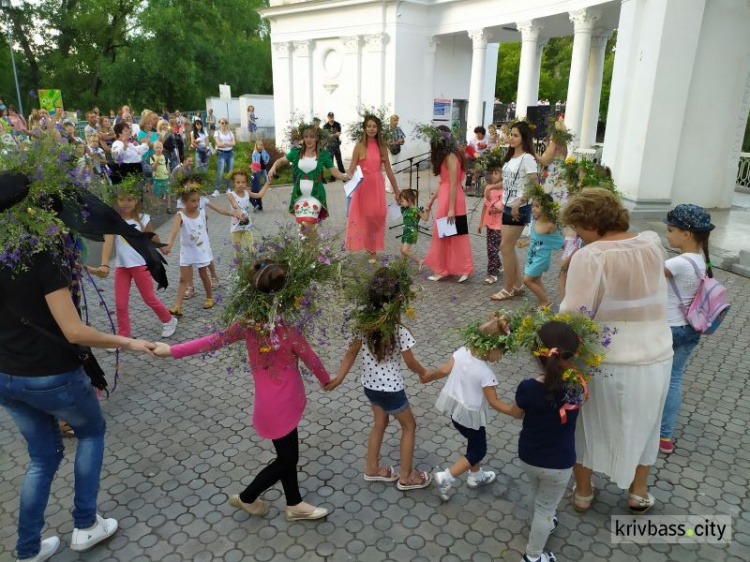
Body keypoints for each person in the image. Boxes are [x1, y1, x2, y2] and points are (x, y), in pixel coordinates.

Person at [0, 168, 161, 562]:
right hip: (52, 376)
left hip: (6, 378)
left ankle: (27, 548)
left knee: (41, 458)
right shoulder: (40, 254)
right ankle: (86, 525)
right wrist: (129, 341)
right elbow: (73, 331)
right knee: (91, 432)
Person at [154, 262, 333, 521]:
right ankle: (248, 497)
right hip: (283, 406)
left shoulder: (247, 324)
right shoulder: (287, 329)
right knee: (286, 460)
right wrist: (328, 381)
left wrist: (171, 350)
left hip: (269, 405)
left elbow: (211, 341)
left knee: (287, 455)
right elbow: (312, 359)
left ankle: (294, 503)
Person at [560, 188, 672, 515]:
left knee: (586, 425)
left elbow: (574, 314)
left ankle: (583, 492)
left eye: (579, 227)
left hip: (605, 359)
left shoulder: (591, 256)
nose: (577, 235)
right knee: (646, 425)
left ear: (592, 222)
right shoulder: (653, 243)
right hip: (656, 355)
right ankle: (638, 493)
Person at [325, 266, 432, 491]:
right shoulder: (398, 331)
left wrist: (339, 378)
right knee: (409, 427)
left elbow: (350, 353)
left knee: (380, 423)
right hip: (392, 390)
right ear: (397, 300)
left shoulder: (364, 324)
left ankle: (372, 468)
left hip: (370, 386)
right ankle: (407, 476)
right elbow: (411, 363)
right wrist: (425, 373)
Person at [422, 315, 518, 501]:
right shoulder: (486, 373)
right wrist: (515, 412)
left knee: (474, 443)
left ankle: (476, 475)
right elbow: (494, 402)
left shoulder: (462, 351)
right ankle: (446, 477)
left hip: (456, 412)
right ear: (492, 348)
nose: (500, 358)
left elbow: (443, 370)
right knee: (478, 450)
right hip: (471, 416)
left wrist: (429, 377)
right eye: (501, 353)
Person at [511, 321, 584, 562]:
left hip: (529, 455)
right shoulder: (576, 387)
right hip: (559, 462)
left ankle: (540, 521)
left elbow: (518, 411)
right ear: (570, 355)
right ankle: (533, 556)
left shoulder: (527, 387)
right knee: (546, 508)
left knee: (536, 491)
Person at [659, 204, 715, 455]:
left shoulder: (679, 262)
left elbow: (647, 275)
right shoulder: (703, 260)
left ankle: (649, 428)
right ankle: (665, 437)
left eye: (671, 230)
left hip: (669, 329)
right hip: (691, 330)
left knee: (656, 379)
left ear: (687, 234)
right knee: (674, 380)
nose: (667, 236)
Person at [94, 187, 177, 340]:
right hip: (122, 268)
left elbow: (152, 237)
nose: (125, 203)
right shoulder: (114, 220)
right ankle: (123, 335)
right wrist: (105, 264)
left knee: (149, 298)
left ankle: (169, 320)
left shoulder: (143, 218)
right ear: (116, 200)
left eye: (129, 199)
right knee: (120, 304)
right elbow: (108, 241)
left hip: (141, 265)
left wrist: (162, 247)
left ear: (137, 200)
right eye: (121, 199)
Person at [268, 123, 349, 237]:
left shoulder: (324, 154)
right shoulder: (296, 152)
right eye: (306, 136)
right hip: (299, 195)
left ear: (317, 138)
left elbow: (333, 171)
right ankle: (313, 253)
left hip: (315, 195)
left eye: (312, 136)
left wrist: (345, 176)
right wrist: (273, 168)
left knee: (307, 226)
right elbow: (281, 161)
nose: (308, 139)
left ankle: (312, 253)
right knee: (305, 229)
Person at [490, 121, 538, 301]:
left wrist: (521, 201)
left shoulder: (527, 158)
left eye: (516, 135)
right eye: (511, 134)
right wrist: (492, 187)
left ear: (524, 138)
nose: (511, 137)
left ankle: (508, 287)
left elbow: (535, 184)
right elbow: (510, 182)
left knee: (505, 246)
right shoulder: (512, 158)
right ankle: (517, 285)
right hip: (508, 205)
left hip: (519, 208)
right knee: (508, 247)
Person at [422, 125, 474, 283]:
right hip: (448, 197)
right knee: (447, 234)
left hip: (451, 199)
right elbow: (443, 182)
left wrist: (451, 209)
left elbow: (452, 184)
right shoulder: (449, 155)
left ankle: (451, 269)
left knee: (450, 234)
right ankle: (448, 268)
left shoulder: (451, 156)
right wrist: (432, 199)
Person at [346, 116, 401, 261]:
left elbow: (389, 170)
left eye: (374, 126)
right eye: (369, 126)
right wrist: (345, 180)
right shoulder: (359, 146)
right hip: (363, 186)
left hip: (377, 184)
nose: (371, 129)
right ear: (364, 128)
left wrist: (396, 191)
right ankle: (370, 248)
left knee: (378, 215)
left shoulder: (382, 146)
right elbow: (351, 169)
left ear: (378, 129)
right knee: (366, 216)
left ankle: (373, 246)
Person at [163, 179, 216, 315]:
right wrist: (169, 244)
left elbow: (204, 227)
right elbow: (174, 231)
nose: (197, 203)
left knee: (203, 275)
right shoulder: (180, 215)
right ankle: (178, 306)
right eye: (193, 201)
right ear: (184, 202)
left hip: (200, 250)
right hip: (187, 251)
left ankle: (209, 297)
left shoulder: (202, 213)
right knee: (182, 279)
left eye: (198, 200)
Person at [517, 195, 564, 309]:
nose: (533, 208)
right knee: (536, 279)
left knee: (527, 280)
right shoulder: (535, 221)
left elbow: (561, 242)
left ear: (547, 208)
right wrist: (524, 243)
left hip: (541, 259)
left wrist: (572, 254)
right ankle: (542, 300)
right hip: (532, 256)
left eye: (537, 206)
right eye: (533, 205)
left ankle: (546, 301)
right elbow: (535, 238)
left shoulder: (550, 226)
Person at [226, 168, 270, 257]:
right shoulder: (231, 195)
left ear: (246, 183)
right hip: (236, 228)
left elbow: (259, 195)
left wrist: (268, 182)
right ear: (233, 183)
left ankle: (254, 265)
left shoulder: (247, 193)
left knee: (252, 248)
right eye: (238, 182)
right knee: (238, 252)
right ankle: (240, 268)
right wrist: (239, 213)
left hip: (247, 225)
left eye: (243, 182)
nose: (241, 184)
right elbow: (235, 206)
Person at [477, 165, 504, 284]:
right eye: (492, 173)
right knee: (491, 249)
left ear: (502, 175)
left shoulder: (505, 188)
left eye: (496, 173)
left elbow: (507, 206)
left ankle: (492, 274)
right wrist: (481, 223)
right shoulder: (488, 188)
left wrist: (499, 210)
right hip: (490, 224)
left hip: (500, 225)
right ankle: (497, 265)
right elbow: (485, 206)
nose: (493, 175)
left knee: (493, 249)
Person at [398, 188, 429, 268]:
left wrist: (427, 211)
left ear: (409, 199)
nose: (401, 203)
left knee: (405, 250)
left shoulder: (416, 209)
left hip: (412, 232)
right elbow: (398, 202)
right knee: (402, 250)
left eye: (402, 201)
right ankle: (402, 266)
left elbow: (425, 218)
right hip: (405, 231)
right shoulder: (405, 208)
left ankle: (419, 261)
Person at [212, 118, 235, 196]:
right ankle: (217, 189)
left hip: (230, 153)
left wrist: (223, 143)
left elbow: (234, 143)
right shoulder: (217, 132)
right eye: (222, 123)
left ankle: (228, 188)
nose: (224, 124)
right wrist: (228, 143)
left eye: (225, 123)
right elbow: (218, 144)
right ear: (219, 124)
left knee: (229, 172)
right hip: (221, 153)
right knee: (220, 172)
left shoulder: (230, 133)